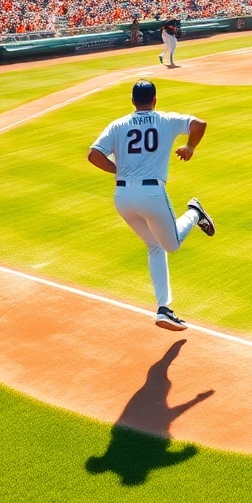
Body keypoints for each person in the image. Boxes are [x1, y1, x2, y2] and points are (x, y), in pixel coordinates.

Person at [87, 80, 216, 331]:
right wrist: (189, 147)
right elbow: (199, 124)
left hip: (123, 197)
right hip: (151, 193)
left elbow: (93, 155)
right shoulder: (164, 120)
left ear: (133, 101)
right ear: (155, 99)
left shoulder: (118, 124)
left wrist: (119, 170)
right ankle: (195, 212)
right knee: (173, 244)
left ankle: (164, 308)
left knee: (155, 245)